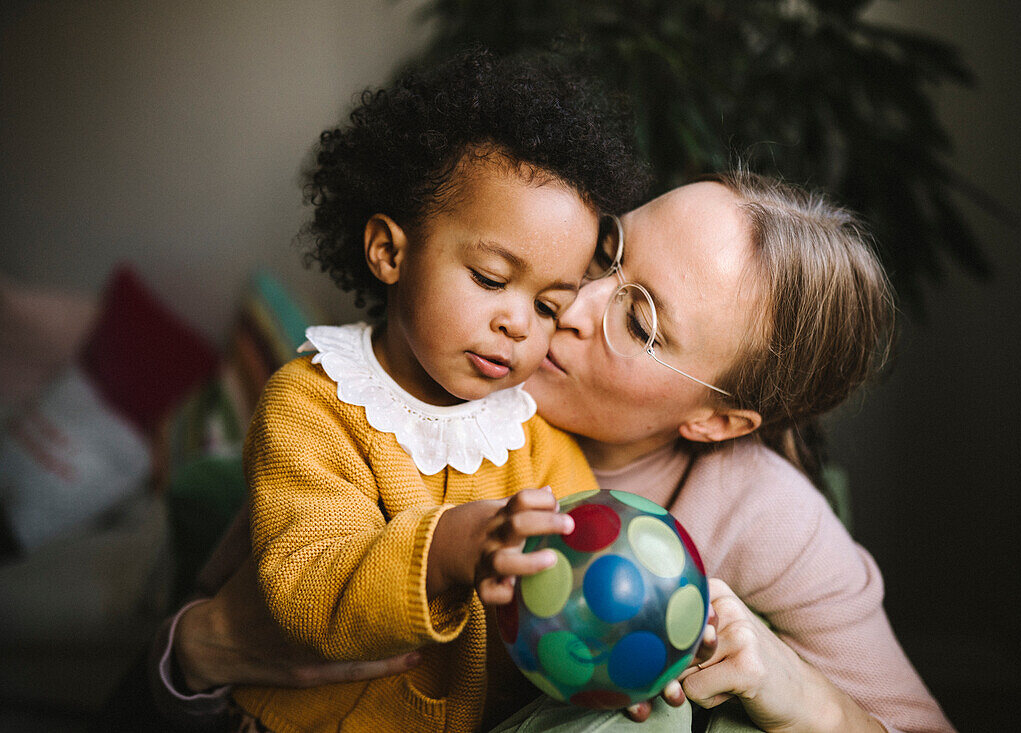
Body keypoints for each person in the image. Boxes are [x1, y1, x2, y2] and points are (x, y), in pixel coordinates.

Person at [152, 172, 957, 733]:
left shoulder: (766, 513)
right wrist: (201, 646)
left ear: (717, 421)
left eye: (639, 321)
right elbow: (212, 618)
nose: (573, 304)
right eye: (609, 251)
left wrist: (805, 697)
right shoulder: (406, 395)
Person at [226, 48, 650, 733]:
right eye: (489, 277)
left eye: (549, 306)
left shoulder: (533, 439)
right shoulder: (310, 404)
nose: (518, 321)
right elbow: (306, 587)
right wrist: (450, 545)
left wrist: (621, 655)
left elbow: (576, 583)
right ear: (389, 252)